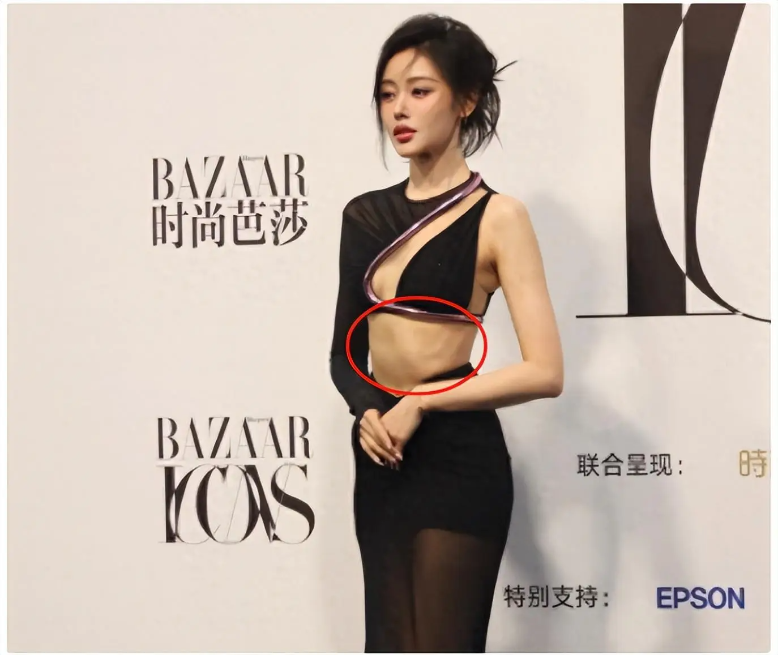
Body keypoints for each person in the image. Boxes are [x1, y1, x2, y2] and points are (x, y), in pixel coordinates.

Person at [329, 13, 564, 653]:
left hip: (458, 455)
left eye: (419, 90)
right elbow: (345, 353)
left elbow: (546, 372)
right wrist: (368, 409)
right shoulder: (363, 215)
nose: (399, 110)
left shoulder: (500, 216)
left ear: (466, 101)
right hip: (381, 451)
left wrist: (421, 403)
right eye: (387, 94)